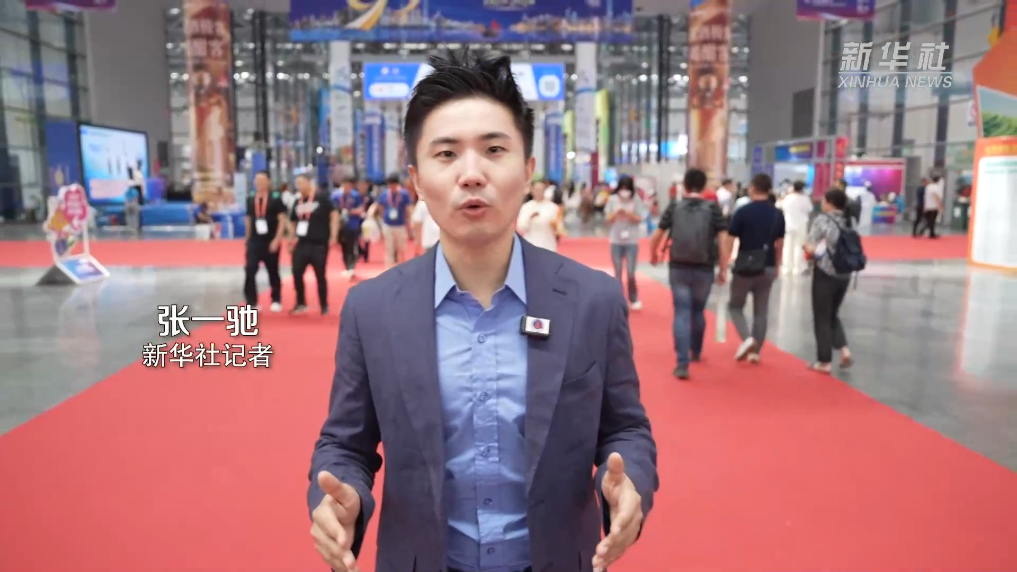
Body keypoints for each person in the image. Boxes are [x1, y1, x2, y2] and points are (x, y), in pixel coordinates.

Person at [307, 48, 658, 572]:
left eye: (494, 149)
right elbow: (346, 444)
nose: (471, 174)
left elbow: (625, 428)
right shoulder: (373, 309)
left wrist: (631, 483)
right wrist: (340, 499)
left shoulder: (593, 300)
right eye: (446, 154)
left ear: (528, 170)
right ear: (416, 179)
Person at [648, 168, 729, 380]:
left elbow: (657, 235)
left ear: (684, 185)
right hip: (704, 267)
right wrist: (723, 267)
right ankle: (696, 351)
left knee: (682, 312)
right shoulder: (713, 209)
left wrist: (653, 254)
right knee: (698, 310)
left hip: (679, 267)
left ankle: (682, 363)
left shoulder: (674, 207)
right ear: (704, 187)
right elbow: (723, 240)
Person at [725, 173, 784, 363]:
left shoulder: (742, 212)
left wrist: (725, 262)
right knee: (761, 311)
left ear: (753, 188)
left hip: (745, 266)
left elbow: (730, 239)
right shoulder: (777, 213)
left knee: (735, 306)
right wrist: (777, 265)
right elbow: (780, 243)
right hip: (767, 265)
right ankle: (755, 352)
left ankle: (747, 339)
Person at [803, 188, 854, 374]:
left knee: (821, 316)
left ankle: (824, 361)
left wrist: (806, 248)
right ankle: (844, 350)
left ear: (830, 202)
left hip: (826, 272)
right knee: (832, 313)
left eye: (824, 200)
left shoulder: (822, 220)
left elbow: (811, 245)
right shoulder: (849, 220)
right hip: (845, 273)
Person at [289, 173, 337, 315]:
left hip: (319, 243)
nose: (299, 186)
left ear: (309, 182)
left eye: (301, 183)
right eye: (297, 183)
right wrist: (291, 239)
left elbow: (334, 215)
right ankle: (301, 302)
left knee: (320, 274)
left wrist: (333, 236)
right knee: (297, 272)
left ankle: (324, 305)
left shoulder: (321, 198)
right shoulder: (297, 202)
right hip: (301, 242)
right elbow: (293, 222)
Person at [244, 171, 287, 311]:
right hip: (255, 240)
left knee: (273, 270)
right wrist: (247, 238)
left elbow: (282, 220)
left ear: (269, 182)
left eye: (262, 180)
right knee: (250, 269)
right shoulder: (251, 197)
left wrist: (277, 239)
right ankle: (252, 301)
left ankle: (276, 299)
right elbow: (248, 218)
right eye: (257, 180)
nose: (259, 183)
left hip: (270, 239)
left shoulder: (276, 198)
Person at [605, 175, 645, 310]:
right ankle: (618, 299)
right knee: (617, 271)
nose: (624, 191)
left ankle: (633, 298)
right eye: (622, 188)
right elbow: (608, 219)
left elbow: (640, 218)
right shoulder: (612, 199)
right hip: (616, 239)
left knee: (630, 272)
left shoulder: (636, 199)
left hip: (631, 240)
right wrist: (616, 213)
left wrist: (628, 214)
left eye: (627, 189)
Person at [371, 174, 412, 267]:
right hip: (388, 224)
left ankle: (402, 268)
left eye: (394, 184)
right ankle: (389, 268)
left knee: (402, 248)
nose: (392, 187)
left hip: (400, 224)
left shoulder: (404, 194)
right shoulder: (385, 194)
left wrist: (409, 220)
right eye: (391, 185)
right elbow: (379, 206)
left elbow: (408, 208)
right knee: (389, 248)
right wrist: (382, 216)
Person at [516, 179, 563, 252]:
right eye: (537, 190)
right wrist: (530, 217)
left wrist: (556, 227)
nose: (539, 192)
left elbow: (559, 225)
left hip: (548, 243)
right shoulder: (526, 207)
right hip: (531, 242)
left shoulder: (553, 207)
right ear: (532, 190)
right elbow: (520, 226)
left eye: (541, 189)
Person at [780, 180, 813, 275]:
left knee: (787, 246)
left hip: (788, 225)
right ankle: (798, 267)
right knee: (799, 246)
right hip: (801, 224)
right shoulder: (805, 198)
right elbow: (810, 209)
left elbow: (782, 207)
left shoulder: (788, 197)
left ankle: (787, 267)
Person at [336, 176, 365, 280]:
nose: (346, 187)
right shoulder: (336, 196)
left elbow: (361, 208)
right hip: (340, 226)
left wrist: (351, 211)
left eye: (348, 185)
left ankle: (351, 267)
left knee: (351, 246)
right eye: (345, 184)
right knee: (343, 247)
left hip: (353, 224)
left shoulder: (356, 195)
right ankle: (346, 266)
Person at [922, 174, 944, 238]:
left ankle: (931, 232)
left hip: (928, 206)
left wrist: (925, 206)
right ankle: (930, 232)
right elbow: (937, 197)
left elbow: (925, 196)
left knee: (930, 220)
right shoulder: (936, 188)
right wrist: (940, 205)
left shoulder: (928, 187)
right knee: (932, 220)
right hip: (934, 206)